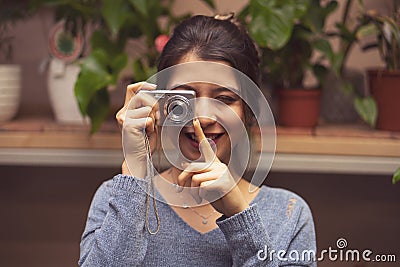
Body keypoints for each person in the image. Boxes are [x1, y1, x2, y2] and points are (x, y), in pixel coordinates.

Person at [79, 14, 316, 267]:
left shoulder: (289, 213)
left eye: (224, 99)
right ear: (162, 105)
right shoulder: (117, 199)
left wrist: (238, 215)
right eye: (184, 99)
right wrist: (136, 172)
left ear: (248, 110)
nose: (202, 118)